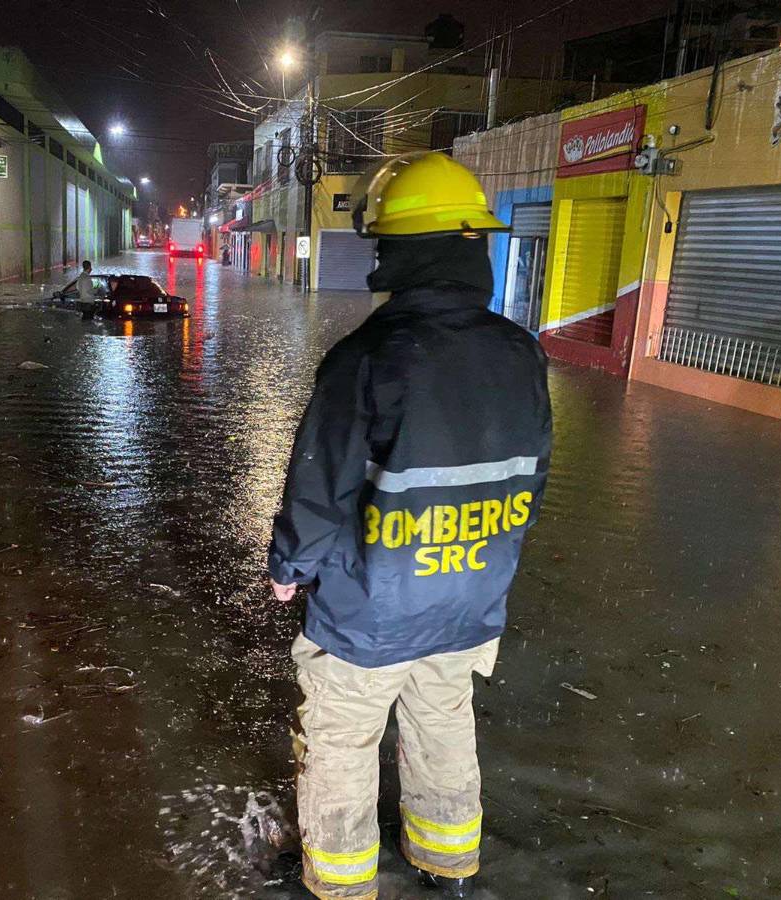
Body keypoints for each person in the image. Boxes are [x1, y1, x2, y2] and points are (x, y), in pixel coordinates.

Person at [269, 152, 552, 900]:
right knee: (444, 728)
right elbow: (532, 477)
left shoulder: (366, 357)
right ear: (472, 252)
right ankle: (449, 866)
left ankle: (341, 885)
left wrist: (288, 568)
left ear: (399, 254)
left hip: (371, 610)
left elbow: (319, 488)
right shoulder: (522, 354)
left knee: (340, 742)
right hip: (469, 600)